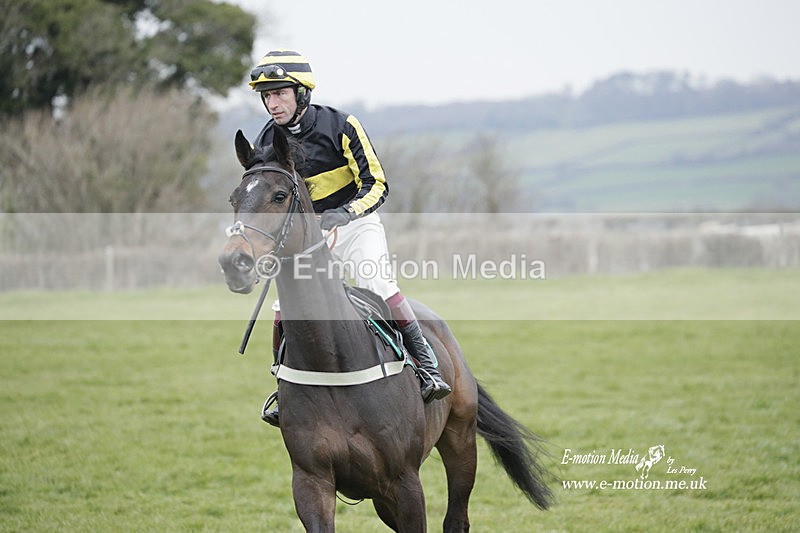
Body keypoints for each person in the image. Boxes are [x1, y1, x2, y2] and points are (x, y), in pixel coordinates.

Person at [249, 50, 451, 426]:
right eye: (266, 96)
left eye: (279, 94)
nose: (272, 103)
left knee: (376, 281)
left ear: (301, 93)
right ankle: (284, 385)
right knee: (285, 304)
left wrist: (345, 214)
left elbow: (377, 184)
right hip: (309, 238)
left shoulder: (342, 125)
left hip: (356, 224)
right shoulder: (266, 137)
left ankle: (425, 366)